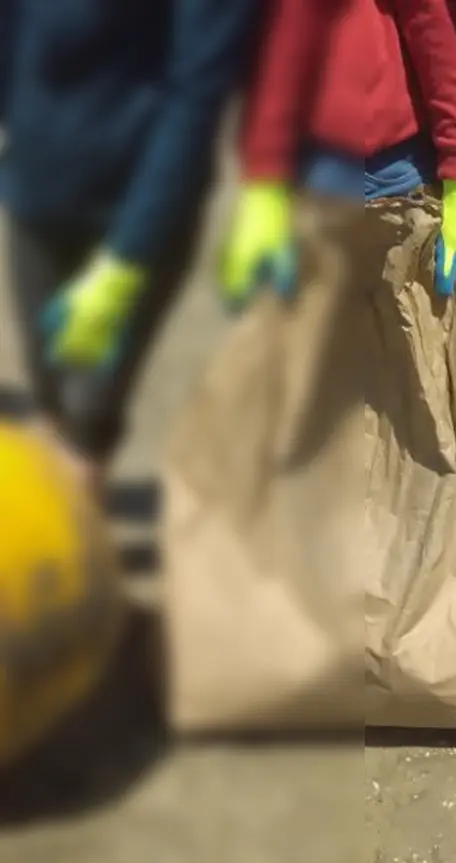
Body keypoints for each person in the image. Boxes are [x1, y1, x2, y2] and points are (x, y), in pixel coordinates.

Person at [0, 0, 259, 500]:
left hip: (134, 208)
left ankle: (73, 556)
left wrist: (128, 254)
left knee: (85, 420)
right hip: (37, 192)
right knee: (49, 398)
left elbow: (197, 95)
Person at [223, 0, 456, 317]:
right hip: (305, 183)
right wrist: (265, 179)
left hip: (393, 177)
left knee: (428, 349)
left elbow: (437, 29)